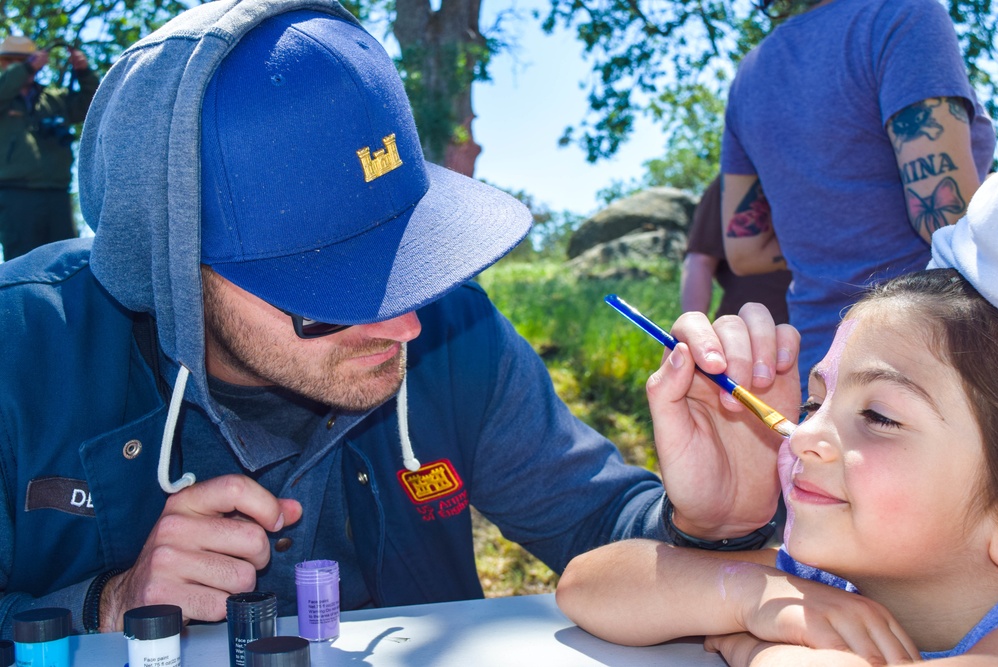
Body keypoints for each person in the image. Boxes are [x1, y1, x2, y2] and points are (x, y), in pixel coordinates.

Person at [0, 0, 793, 637]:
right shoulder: (24, 354)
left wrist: (710, 520)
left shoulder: (458, 331)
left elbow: (602, 522)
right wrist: (105, 607)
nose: (406, 327)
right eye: (332, 294)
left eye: (409, 265)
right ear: (173, 270)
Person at [556, 177, 998, 663]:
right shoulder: (827, 582)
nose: (802, 433)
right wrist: (746, 595)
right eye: (813, 405)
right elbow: (585, 583)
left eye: (878, 416)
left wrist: (761, 652)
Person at [720, 0, 995, 395]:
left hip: (815, 373)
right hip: (929, 373)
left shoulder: (748, 75)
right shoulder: (903, 15)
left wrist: (832, 235)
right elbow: (945, 213)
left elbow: (745, 251)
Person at [0, 35, 98, 261]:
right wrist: (25, 68)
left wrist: (84, 72)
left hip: (57, 193)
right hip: (16, 195)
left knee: (66, 262)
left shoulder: (54, 98)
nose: (13, 66)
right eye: (9, 60)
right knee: (21, 263)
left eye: (21, 60)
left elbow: (91, 104)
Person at [682, 174, 791, 323]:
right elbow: (701, 260)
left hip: (823, 329)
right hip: (743, 332)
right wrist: (694, 327)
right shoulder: (733, 182)